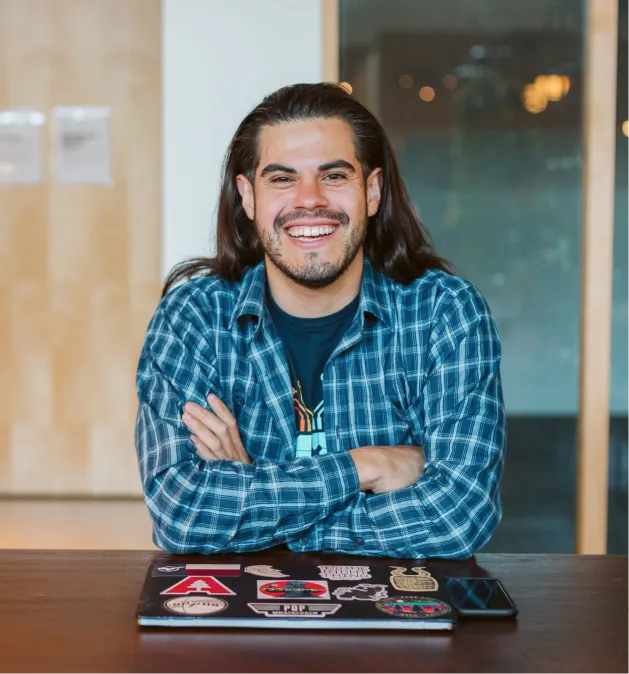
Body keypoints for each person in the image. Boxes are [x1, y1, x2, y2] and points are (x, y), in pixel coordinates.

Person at [135, 82, 506, 558]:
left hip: (400, 624)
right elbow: (182, 515)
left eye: (333, 176)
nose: (309, 200)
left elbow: (457, 515)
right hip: (238, 630)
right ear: (248, 197)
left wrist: (255, 503)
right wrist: (362, 468)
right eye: (282, 179)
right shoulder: (194, 319)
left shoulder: (444, 314)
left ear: (371, 191)